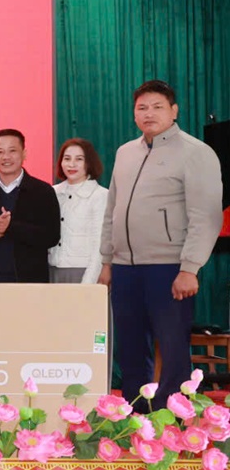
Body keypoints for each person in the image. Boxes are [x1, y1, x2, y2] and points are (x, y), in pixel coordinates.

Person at [99, 80, 222, 407]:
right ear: (134, 113)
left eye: (157, 107)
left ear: (174, 111)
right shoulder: (125, 152)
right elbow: (112, 210)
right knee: (129, 347)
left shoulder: (196, 152)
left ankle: (174, 419)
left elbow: (206, 216)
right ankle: (133, 413)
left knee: (172, 346)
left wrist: (190, 268)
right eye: (142, 108)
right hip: (124, 268)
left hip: (169, 267)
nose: (149, 113)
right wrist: (107, 261)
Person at [0, 129, 61, 283]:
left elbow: (51, 236)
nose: (6, 157)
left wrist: (10, 227)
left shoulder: (42, 191)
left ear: (24, 153)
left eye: (12, 151)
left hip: (29, 281)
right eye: (0, 152)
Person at [49, 138, 109, 284]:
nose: (72, 164)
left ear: (89, 163)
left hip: (83, 270)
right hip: (53, 268)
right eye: (67, 159)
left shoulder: (100, 195)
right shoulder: (52, 192)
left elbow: (99, 243)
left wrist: (89, 281)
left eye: (79, 159)